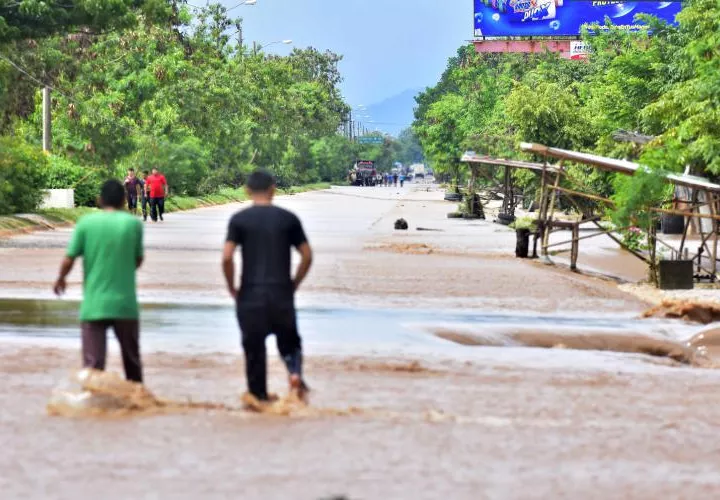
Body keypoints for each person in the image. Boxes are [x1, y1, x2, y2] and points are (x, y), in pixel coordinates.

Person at [222, 169, 313, 405]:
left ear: (247, 190)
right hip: (281, 294)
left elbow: (227, 257)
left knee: (254, 352)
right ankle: (294, 374)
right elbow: (307, 255)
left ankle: (258, 399)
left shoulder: (239, 220)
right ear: (273, 188)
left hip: (250, 295)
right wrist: (293, 284)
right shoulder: (288, 219)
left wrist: (232, 287)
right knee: (290, 343)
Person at [53, 180, 145, 383]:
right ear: (123, 200)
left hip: (94, 305)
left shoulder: (86, 223)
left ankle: (90, 405)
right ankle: (137, 408)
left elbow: (69, 258)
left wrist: (61, 279)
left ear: (99, 200)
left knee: (92, 368)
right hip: (125, 306)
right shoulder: (133, 224)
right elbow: (138, 260)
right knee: (133, 366)